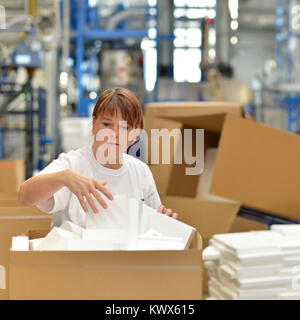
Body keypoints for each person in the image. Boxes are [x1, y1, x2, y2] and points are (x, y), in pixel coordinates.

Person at [18, 87, 178, 228]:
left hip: (125, 260)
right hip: (76, 259)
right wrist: (64, 178)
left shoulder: (140, 172)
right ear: (94, 125)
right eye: (107, 124)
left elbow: (152, 227)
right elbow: (25, 196)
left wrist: (163, 221)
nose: (114, 134)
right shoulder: (72, 164)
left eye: (125, 127)